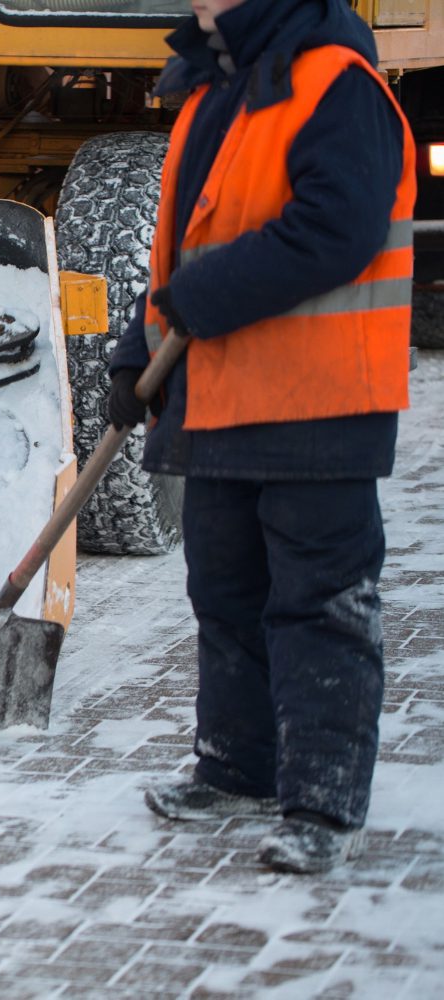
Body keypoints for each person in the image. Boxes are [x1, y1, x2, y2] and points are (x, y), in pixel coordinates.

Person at [106, 0, 415, 874]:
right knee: (226, 597)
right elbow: (185, 250)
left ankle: (322, 801)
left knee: (320, 605)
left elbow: (335, 230)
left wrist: (199, 302)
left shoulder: (338, 85)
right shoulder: (217, 91)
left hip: (322, 402)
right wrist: (138, 353)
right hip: (224, 399)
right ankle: (237, 768)